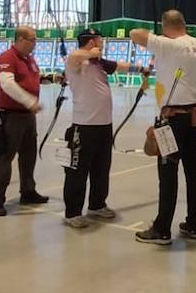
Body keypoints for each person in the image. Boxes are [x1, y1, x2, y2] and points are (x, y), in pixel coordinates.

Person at [130, 11, 196, 246]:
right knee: (192, 171)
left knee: (168, 174)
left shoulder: (166, 44)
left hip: (173, 120)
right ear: (184, 24)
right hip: (195, 120)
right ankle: (193, 224)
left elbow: (134, 33)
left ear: (166, 26)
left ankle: (162, 229)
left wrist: (157, 38)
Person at [60, 27, 147, 228]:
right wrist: (91, 53)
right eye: (99, 39)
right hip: (84, 126)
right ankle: (72, 212)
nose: (102, 42)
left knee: (101, 168)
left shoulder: (98, 63)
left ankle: (97, 205)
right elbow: (75, 55)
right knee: (78, 170)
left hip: (103, 125)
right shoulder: (76, 61)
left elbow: (120, 66)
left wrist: (140, 69)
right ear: (92, 41)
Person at [0, 27, 50, 215]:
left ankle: (28, 192)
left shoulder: (29, 59)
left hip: (26, 116)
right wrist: (29, 101)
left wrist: (49, 78)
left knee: (29, 156)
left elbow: (29, 79)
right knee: (5, 157)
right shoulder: (7, 58)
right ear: (21, 39)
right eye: (32, 39)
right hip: (11, 115)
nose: (35, 43)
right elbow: (7, 84)